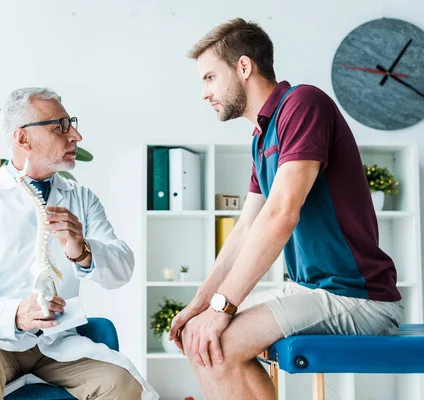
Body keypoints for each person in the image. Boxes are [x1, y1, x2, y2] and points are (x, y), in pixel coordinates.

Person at [168, 18, 403, 400]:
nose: (204, 93)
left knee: (218, 347)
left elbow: (281, 214)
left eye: (210, 78)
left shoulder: (303, 104)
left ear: (243, 67)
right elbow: (245, 230)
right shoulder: (262, 137)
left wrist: (223, 308)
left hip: (358, 298)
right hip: (309, 291)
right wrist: (199, 306)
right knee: (201, 339)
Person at [0, 87, 157, 400]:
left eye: (70, 123)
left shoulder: (82, 200)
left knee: (122, 383)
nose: (76, 135)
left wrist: (82, 251)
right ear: (23, 139)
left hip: (58, 343)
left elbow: (122, 269)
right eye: (60, 126)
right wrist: (15, 314)